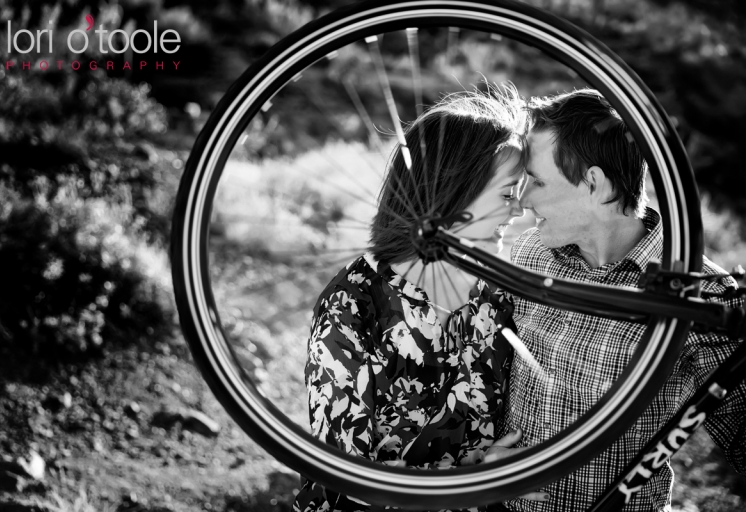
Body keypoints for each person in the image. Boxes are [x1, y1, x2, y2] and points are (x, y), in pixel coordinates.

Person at [292, 88, 548, 512]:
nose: (518, 210)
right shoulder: (354, 305)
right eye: (506, 193)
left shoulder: (493, 299)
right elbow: (343, 479)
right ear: (451, 192)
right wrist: (477, 481)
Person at [499, 89, 746, 512]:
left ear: (594, 184)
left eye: (536, 182)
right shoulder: (531, 253)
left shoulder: (698, 297)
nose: (522, 199)